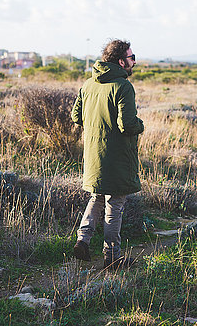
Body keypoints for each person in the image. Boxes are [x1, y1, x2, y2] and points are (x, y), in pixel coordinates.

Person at [71, 39, 144, 269]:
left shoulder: (88, 84)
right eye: (132, 58)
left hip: (93, 156)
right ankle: (112, 257)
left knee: (96, 198)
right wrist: (140, 125)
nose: (134, 62)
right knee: (115, 206)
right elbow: (127, 124)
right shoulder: (123, 87)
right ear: (121, 61)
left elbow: (76, 117)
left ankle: (83, 240)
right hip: (118, 158)